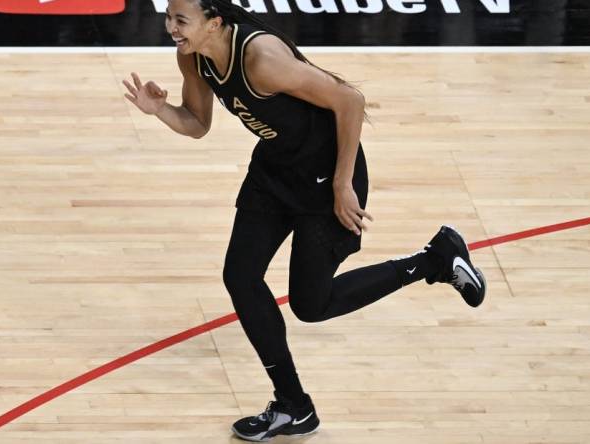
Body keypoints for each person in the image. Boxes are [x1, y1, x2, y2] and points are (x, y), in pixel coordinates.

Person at [122, 0, 487, 441]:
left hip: (327, 176)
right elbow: (198, 123)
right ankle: (293, 406)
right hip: (276, 171)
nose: (170, 28)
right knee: (240, 276)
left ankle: (433, 260)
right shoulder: (191, 56)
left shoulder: (261, 58)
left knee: (310, 306)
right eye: (168, 17)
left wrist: (341, 184)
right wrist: (158, 110)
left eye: (181, 20)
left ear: (214, 22)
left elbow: (350, 100)